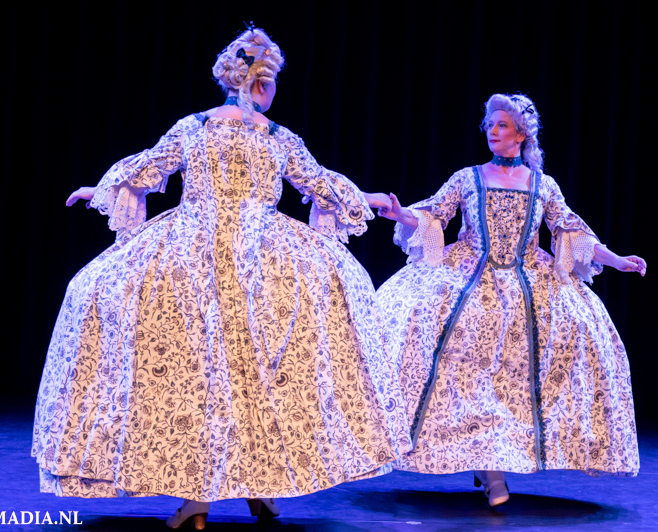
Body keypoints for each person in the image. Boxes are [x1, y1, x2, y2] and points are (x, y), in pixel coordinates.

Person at [32, 27, 410, 529]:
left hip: (191, 254)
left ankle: (216, 494)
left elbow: (147, 168)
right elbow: (319, 184)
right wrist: (371, 199)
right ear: (262, 84)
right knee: (257, 375)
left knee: (203, 375)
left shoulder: (198, 127)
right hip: (263, 261)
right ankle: (239, 488)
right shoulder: (276, 137)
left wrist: (97, 188)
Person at [375, 93, 645, 507]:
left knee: (545, 357)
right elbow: (432, 214)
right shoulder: (468, 178)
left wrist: (617, 260)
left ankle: (495, 463)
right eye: (490, 124)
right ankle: (490, 470)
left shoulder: (542, 185)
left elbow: (573, 233)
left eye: (502, 125)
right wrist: (401, 215)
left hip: (527, 284)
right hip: (469, 279)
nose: (493, 131)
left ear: (521, 134)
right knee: (451, 357)